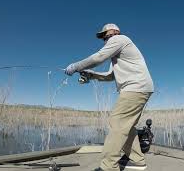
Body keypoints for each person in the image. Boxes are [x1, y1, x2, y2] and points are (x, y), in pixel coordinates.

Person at [65, 23, 154, 171]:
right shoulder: (117, 53)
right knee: (127, 126)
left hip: (135, 88)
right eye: (102, 37)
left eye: (105, 34)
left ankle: (108, 167)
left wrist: (76, 66)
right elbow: (110, 76)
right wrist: (91, 75)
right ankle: (138, 161)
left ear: (114, 32)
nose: (104, 38)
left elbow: (99, 57)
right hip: (140, 88)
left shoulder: (119, 39)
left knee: (117, 122)